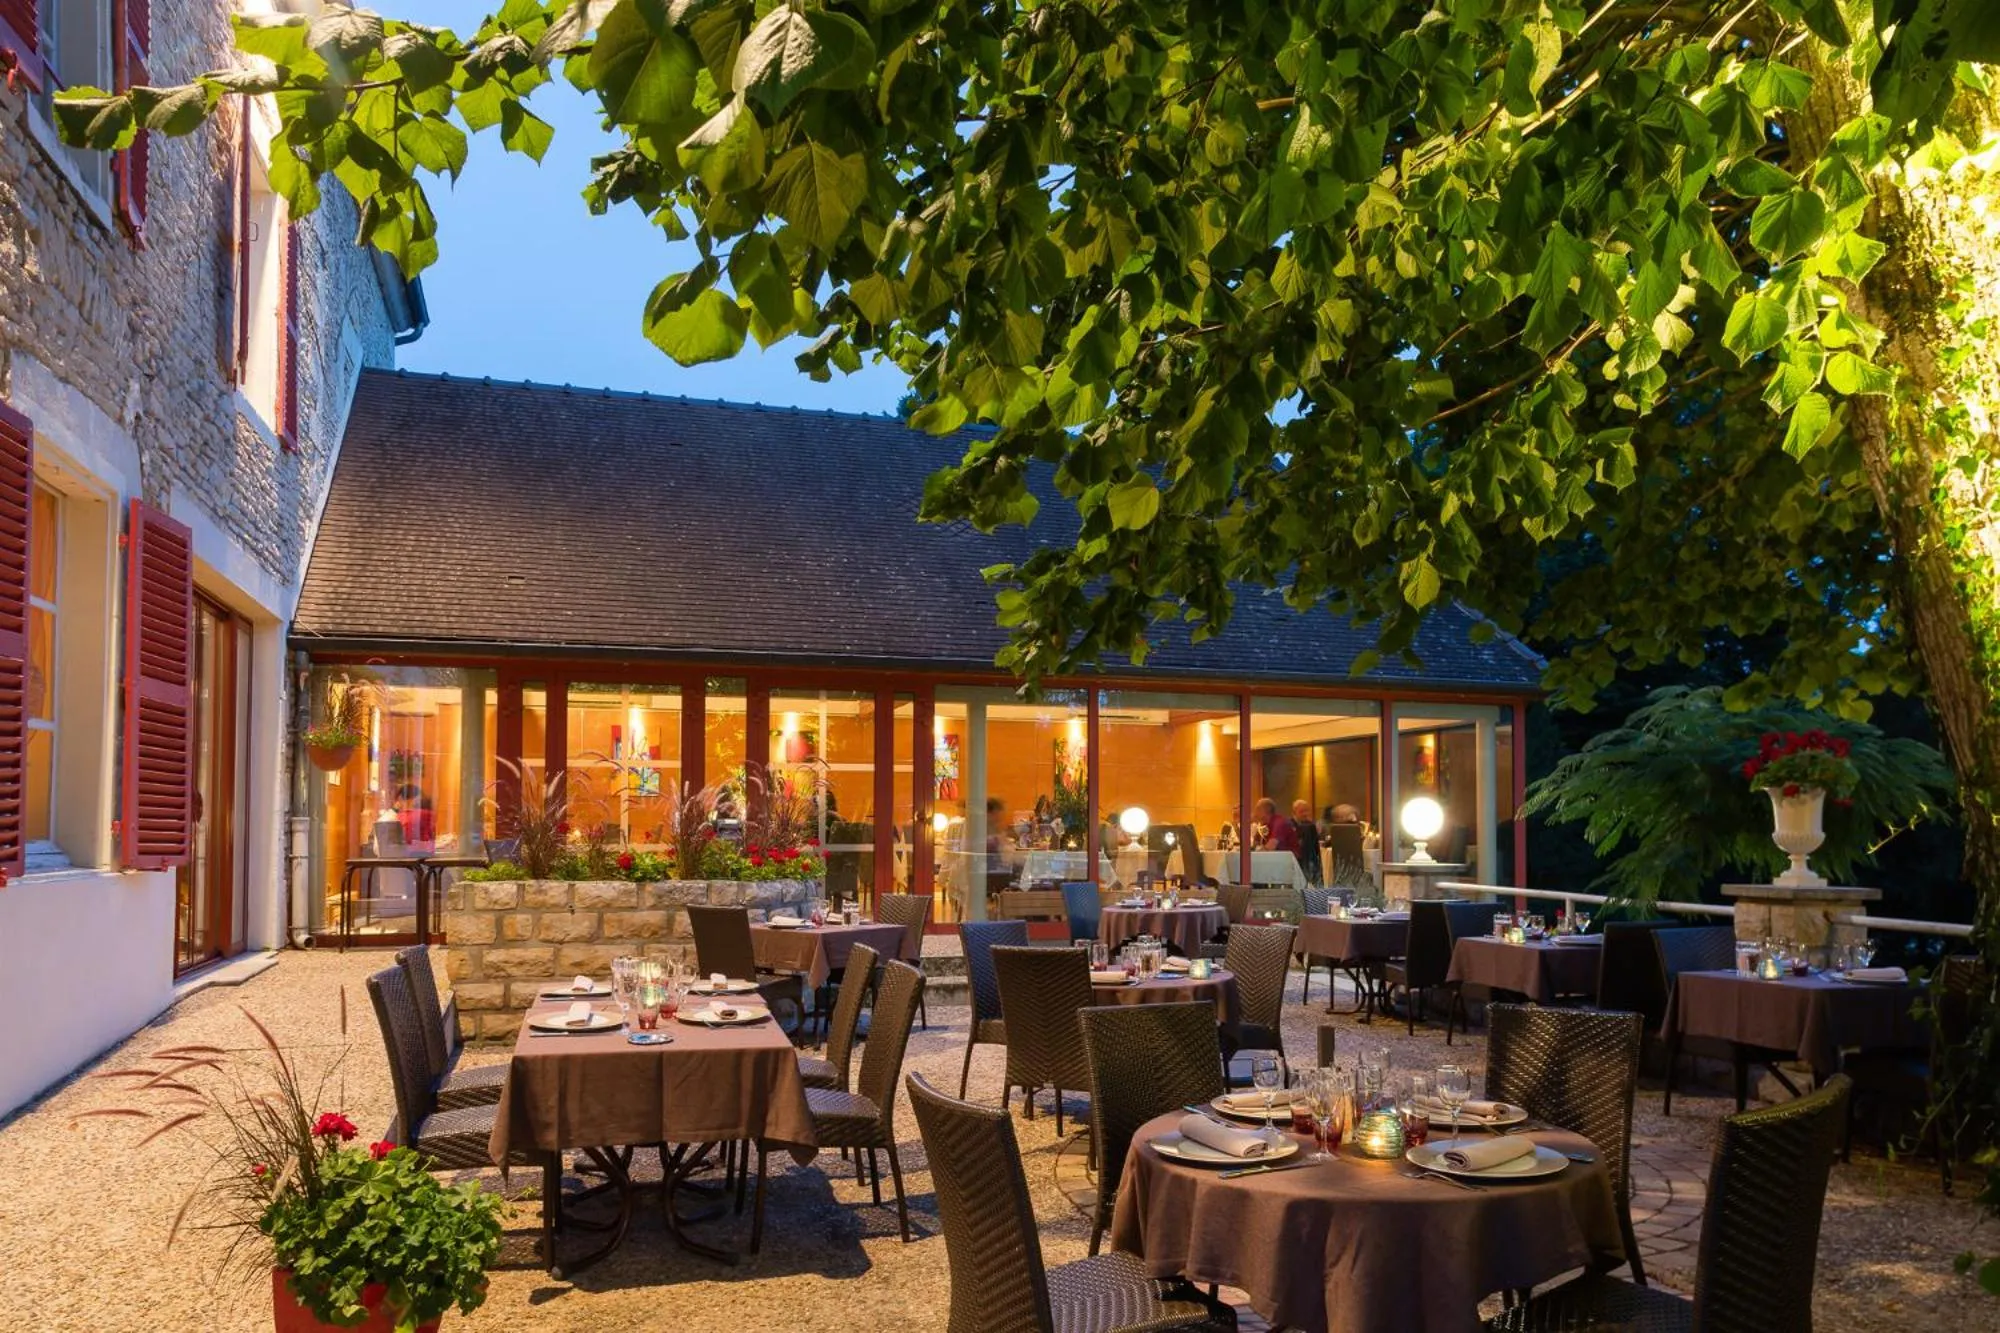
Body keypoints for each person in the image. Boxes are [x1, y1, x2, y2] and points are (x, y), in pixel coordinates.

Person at [1291, 799, 1323, 886]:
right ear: (1294, 812)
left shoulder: (1311, 826)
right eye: (1302, 811)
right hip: (1295, 860)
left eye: (1307, 811)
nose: (1305, 814)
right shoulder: (1289, 825)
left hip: (1310, 861)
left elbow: (1316, 846)